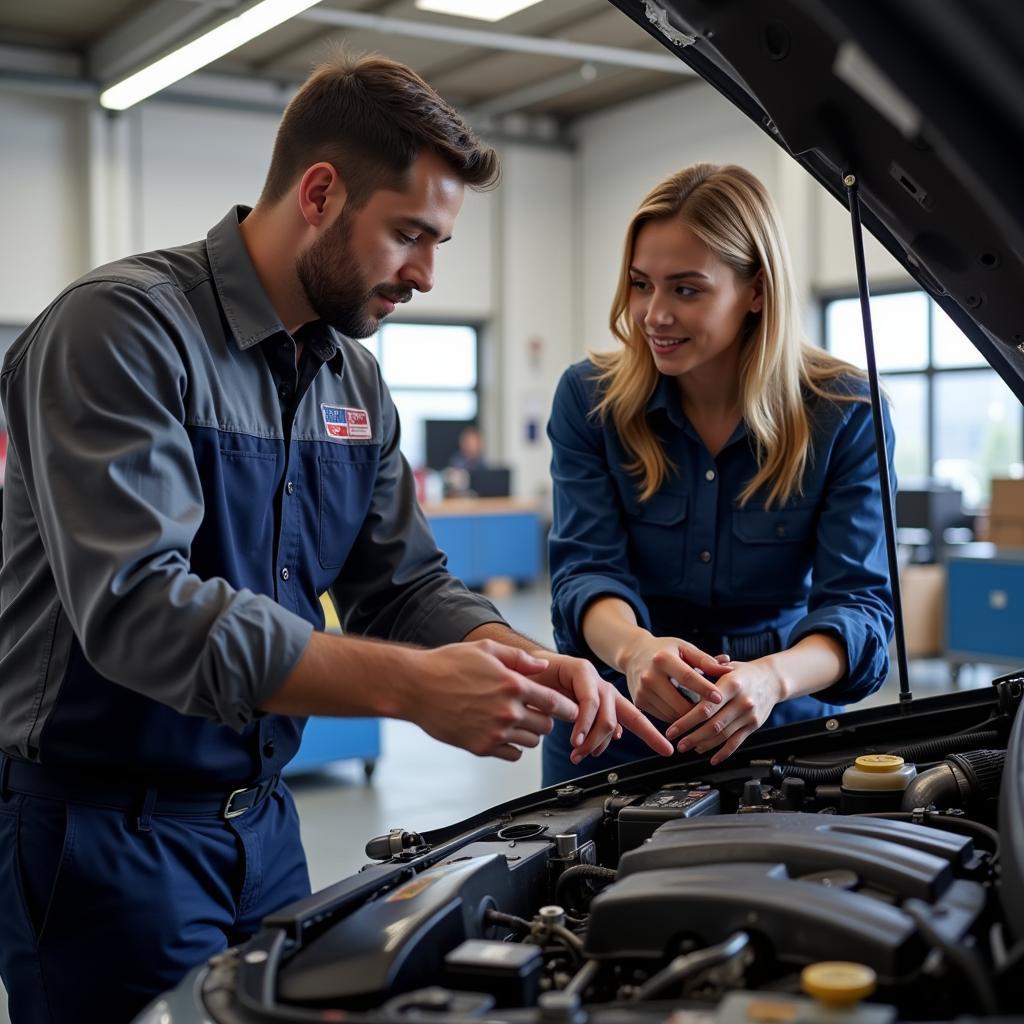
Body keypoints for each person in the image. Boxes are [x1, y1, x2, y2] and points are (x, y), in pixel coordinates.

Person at [0, 54, 671, 1022]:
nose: (427, 276)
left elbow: (403, 586)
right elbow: (142, 610)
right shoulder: (119, 333)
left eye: (437, 243)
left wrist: (518, 658)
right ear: (319, 193)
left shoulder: (353, 386)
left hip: (265, 828)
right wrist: (414, 689)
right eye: (409, 235)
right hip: (104, 837)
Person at [542, 162, 895, 786]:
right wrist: (635, 650)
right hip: (620, 724)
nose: (653, 314)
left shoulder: (846, 413)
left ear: (756, 290)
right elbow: (585, 570)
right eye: (640, 284)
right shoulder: (589, 400)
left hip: (782, 726)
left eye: (686, 289)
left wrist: (771, 679)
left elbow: (858, 606)